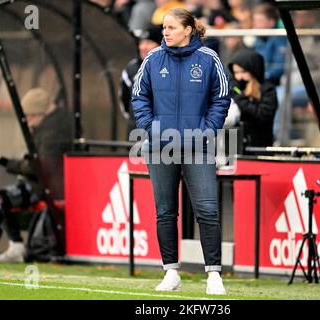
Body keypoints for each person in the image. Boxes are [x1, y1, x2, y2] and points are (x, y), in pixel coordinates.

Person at [132, 8, 230, 295]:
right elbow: (139, 95)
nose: (165, 32)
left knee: (207, 211)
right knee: (165, 212)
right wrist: (150, 129)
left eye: (172, 27)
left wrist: (208, 129)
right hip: (160, 148)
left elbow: (222, 96)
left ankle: (214, 275)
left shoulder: (208, 58)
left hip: (198, 147)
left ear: (188, 29)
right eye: (164, 27)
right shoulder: (152, 59)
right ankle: (171, 272)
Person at [0, 88, 72, 263]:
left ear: (40, 112)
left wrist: (11, 165)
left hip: (44, 186)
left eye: (30, 116)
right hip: (42, 183)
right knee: (1, 199)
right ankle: (15, 245)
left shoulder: (52, 132)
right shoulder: (52, 125)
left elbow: (39, 166)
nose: (28, 122)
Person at [228, 49, 278, 149]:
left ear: (254, 70)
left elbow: (263, 114)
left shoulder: (267, 90)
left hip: (258, 146)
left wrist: (242, 101)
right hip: (233, 146)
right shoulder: (232, 87)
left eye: (243, 72)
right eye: (236, 72)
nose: (239, 77)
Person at [119, 24, 163, 137]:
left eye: (149, 43)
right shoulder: (131, 69)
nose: (143, 47)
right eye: (141, 42)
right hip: (136, 132)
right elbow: (124, 99)